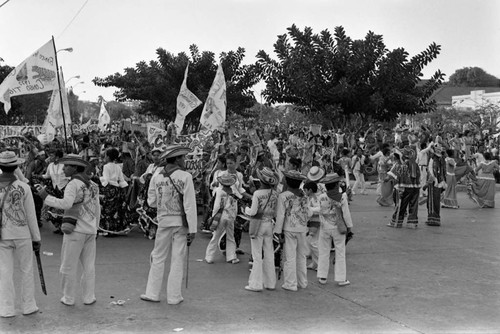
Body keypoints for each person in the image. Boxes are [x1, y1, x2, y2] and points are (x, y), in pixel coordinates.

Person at [37, 154, 101, 306]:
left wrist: (45, 197)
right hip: (90, 230)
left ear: (74, 168)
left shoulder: (74, 184)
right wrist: (96, 227)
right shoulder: (93, 185)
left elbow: (66, 204)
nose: (63, 169)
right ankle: (89, 297)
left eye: (66, 166)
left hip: (76, 231)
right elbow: (97, 208)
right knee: (89, 266)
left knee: (68, 265)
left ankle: (68, 297)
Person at [141, 144, 197, 305]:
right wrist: (192, 229)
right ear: (177, 159)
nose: (184, 160)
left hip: (163, 220)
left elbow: (151, 202)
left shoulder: (156, 177)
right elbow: (189, 204)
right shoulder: (186, 176)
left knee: (158, 256)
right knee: (178, 258)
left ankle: (152, 293)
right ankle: (174, 296)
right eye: (183, 157)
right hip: (181, 222)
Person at [0, 151, 41, 318]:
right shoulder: (24, 187)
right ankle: (28, 305)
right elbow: (31, 216)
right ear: (17, 167)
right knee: (26, 270)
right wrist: (36, 238)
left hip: (3, 234)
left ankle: (6, 308)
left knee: (4, 271)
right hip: (23, 234)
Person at [274, 170, 312, 291]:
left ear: (288, 182)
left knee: (289, 257)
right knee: (301, 256)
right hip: (302, 228)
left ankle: (290, 283)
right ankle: (302, 282)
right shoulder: (304, 196)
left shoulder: (283, 196)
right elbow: (308, 213)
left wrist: (278, 231)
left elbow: (280, 215)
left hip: (289, 228)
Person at [313, 173, 353, 286]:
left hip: (324, 227)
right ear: (336, 185)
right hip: (338, 228)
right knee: (340, 252)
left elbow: (319, 210)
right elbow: (346, 214)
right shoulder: (342, 197)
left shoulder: (321, 197)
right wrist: (349, 227)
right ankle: (341, 278)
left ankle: (322, 276)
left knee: (323, 252)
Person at [244, 167, 279, 292]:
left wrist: (246, 210)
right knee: (269, 254)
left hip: (258, 225)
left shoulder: (257, 194)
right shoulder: (275, 194)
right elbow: (275, 213)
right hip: (269, 225)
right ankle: (270, 283)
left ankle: (255, 284)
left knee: (257, 255)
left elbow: (253, 212)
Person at [205, 174, 240, 264]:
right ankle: (231, 257)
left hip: (221, 216)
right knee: (230, 237)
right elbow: (235, 207)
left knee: (215, 236)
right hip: (230, 216)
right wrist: (234, 217)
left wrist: (213, 216)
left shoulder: (219, 191)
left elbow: (216, 206)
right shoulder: (233, 192)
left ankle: (209, 257)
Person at [385, 147, 420, 228]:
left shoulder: (400, 165)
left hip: (404, 188)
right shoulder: (415, 164)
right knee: (413, 205)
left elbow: (389, 177)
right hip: (415, 187)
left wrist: (385, 179)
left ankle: (396, 222)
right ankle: (412, 223)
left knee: (401, 205)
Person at [99, 148, 129, 234]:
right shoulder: (118, 166)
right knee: (116, 209)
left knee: (107, 209)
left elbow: (106, 180)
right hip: (117, 189)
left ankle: (108, 229)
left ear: (107, 157)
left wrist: (99, 179)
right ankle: (117, 228)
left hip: (109, 189)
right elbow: (122, 180)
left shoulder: (106, 166)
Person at [42, 149, 69, 234]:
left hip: (64, 189)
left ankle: (64, 227)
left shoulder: (64, 166)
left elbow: (69, 177)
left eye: (52, 156)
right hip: (55, 190)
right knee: (52, 209)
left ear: (57, 157)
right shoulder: (50, 165)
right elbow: (47, 175)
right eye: (50, 155)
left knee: (63, 210)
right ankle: (59, 226)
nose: (50, 157)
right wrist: (38, 176)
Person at [425, 145, 447, 226]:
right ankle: (435, 218)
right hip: (439, 183)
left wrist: (428, 183)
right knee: (436, 201)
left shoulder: (434, 160)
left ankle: (432, 219)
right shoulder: (441, 160)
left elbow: (432, 173)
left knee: (432, 201)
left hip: (434, 184)